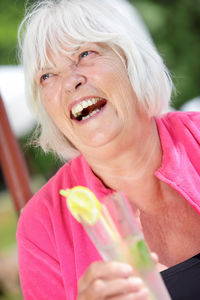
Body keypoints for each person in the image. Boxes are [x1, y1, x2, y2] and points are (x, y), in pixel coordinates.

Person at [17, 0, 200, 299]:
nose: (70, 82)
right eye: (47, 76)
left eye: (84, 54)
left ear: (130, 59)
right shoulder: (42, 224)